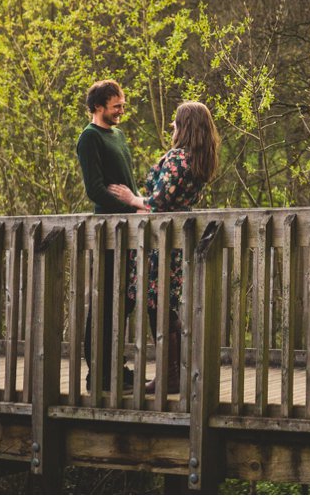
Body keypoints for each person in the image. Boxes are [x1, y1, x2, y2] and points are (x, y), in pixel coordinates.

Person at [106, 100, 221, 394]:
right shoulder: (198, 159)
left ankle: (169, 376)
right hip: (174, 239)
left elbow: (158, 201)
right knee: (163, 303)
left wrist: (132, 199)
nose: (172, 125)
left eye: (176, 121)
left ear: (185, 126)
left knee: (158, 304)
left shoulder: (178, 158)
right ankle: (172, 374)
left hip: (160, 241)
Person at [76, 79, 145, 395]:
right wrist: (129, 205)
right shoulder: (89, 138)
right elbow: (95, 189)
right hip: (108, 231)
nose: (121, 110)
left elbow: (126, 182)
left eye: (122, 104)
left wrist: (140, 203)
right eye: (116, 105)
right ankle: (98, 373)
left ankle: (116, 368)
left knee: (125, 299)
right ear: (98, 107)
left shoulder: (118, 135)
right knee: (105, 300)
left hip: (130, 230)